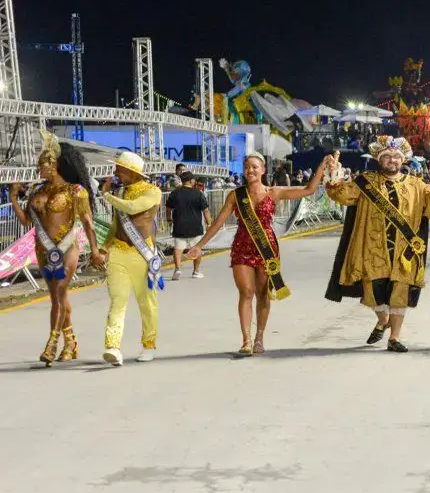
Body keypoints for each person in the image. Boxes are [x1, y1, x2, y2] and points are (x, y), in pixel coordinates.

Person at [187, 152, 331, 355]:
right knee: (246, 292)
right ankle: (246, 340)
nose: (250, 170)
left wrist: (322, 167)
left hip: (266, 249)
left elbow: (309, 189)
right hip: (242, 247)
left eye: (254, 167)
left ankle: (259, 338)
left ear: (263, 170)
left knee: (262, 294)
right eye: (247, 167)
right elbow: (218, 223)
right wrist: (199, 245)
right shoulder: (236, 195)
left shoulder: (274, 192)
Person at [323, 136, 430, 353]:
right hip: (372, 248)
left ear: (403, 160)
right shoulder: (365, 181)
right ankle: (383, 320)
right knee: (372, 292)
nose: (392, 160)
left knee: (400, 292)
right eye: (387, 156)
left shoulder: (416, 185)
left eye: (396, 157)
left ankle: (394, 337)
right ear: (379, 159)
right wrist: (334, 173)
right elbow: (342, 195)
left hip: (405, 250)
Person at [7, 130, 102, 366]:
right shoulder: (37, 191)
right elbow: (26, 221)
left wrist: (95, 250)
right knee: (57, 298)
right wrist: (13, 198)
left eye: (42, 164)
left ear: (54, 165)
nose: (38, 169)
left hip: (67, 249)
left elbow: (88, 223)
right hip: (43, 250)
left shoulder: (75, 191)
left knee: (59, 294)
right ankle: (71, 342)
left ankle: (51, 344)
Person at [97, 152, 164, 366]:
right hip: (118, 251)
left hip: (142, 253)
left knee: (147, 302)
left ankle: (149, 345)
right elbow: (116, 226)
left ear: (131, 171)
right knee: (117, 301)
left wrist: (106, 195)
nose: (116, 172)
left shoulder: (153, 191)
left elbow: (133, 208)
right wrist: (103, 248)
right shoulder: (120, 192)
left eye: (119, 169)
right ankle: (113, 347)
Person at [165, 171, 211, 280]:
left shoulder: (175, 193)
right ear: (190, 181)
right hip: (195, 226)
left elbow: (168, 208)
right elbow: (205, 210)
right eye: (193, 179)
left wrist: (169, 219)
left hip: (179, 225)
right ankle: (196, 271)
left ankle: (177, 269)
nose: (194, 181)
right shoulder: (198, 193)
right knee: (197, 248)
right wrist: (209, 223)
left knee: (178, 249)